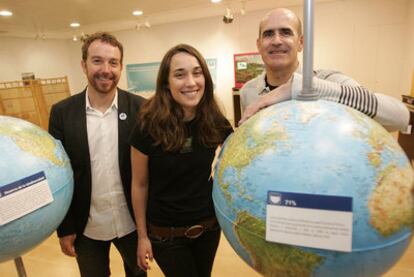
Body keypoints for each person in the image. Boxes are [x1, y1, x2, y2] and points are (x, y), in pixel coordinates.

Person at [129, 44, 233, 277]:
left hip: (208, 228)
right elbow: (139, 184)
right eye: (179, 74)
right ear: (166, 83)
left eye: (197, 73)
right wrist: (142, 236)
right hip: (166, 235)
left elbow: (239, 157)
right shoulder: (148, 126)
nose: (191, 82)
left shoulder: (214, 120)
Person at [48, 32, 147, 277]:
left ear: (121, 66)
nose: (106, 69)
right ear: (83, 65)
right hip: (87, 227)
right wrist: (65, 228)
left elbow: (151, 170)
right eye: (97, 61)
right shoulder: (62, 113)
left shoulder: (141, 109)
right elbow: (56, 174)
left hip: (132, 224)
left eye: (113, 62)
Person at [239, 8, 410, 132]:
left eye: (286, 32)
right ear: (259, 45)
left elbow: (400, 116)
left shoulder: (329, 80)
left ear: (301, 43)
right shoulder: (248, 92)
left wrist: (301, 88)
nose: (276, 40)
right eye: (268, 34)